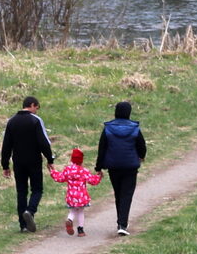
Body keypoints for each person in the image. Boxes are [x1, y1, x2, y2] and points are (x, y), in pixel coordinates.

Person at [1, 95, 53, 233]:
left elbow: (6, 145)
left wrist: (5, 165)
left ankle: (23, 225)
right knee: (37, 189)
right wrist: (50, 159)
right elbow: (44, 142)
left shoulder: (11, 121)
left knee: (21, 191)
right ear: (32, 105)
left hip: (18, 161)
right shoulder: (35, 120)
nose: (37, 111)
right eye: (37, 108)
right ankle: (30, 211)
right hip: (34, 160)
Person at [95, 100, 148, 237]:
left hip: (113, 166)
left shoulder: (108, 128)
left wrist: (98, 167)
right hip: (130, 166)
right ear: (129, 113)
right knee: (127, 194)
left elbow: (102, 148)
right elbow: (142, 146)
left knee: (118, 193)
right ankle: (122, 224)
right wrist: (141, 157)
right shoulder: (135, 128)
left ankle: (121, 221)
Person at [50, 148, 102, 236]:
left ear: (72, 159)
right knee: (80, 211)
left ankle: (70, 219)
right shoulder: (83, 171)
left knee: (73, 211)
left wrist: (52, 171)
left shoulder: (68, 170)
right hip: (81, 196)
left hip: (71, 196)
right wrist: (99, 176)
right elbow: (92, 180)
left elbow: (60, 178)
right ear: (81, 160)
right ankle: (80, 230)